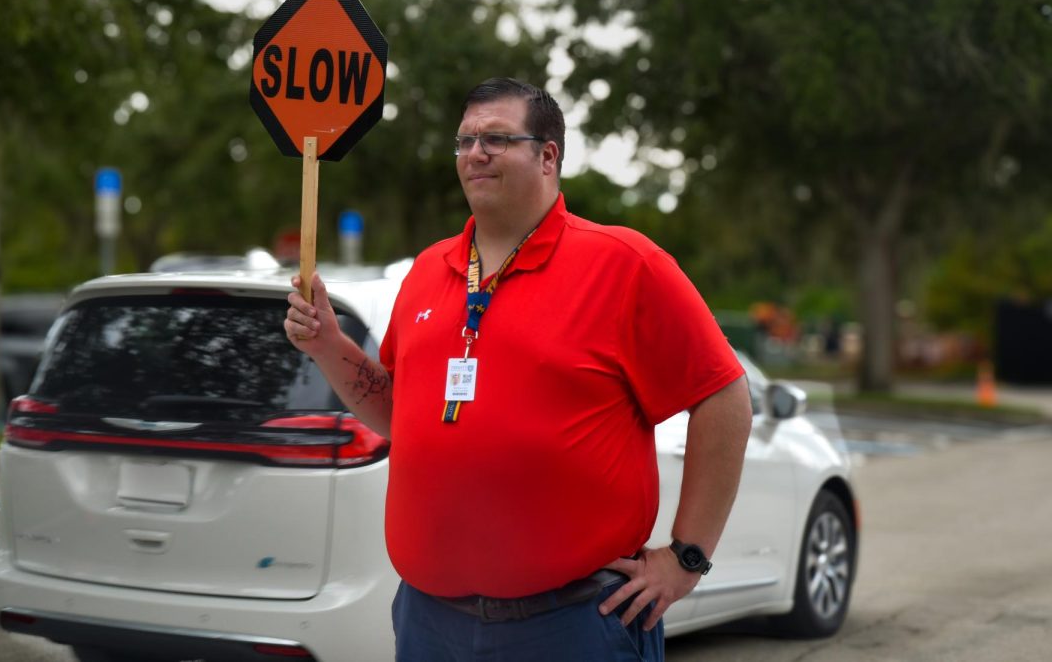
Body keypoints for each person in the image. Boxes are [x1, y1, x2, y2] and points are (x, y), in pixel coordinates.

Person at [284, 77, 752, 662]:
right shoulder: (429, 270)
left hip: (574, 626)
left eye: (497, 138)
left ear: (548, 155)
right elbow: (398, 413)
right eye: (464, 140)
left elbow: (726, 396)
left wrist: (687, 557)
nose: (474, 153)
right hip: (431, 624)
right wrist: (329, 344)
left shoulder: (625, 264)